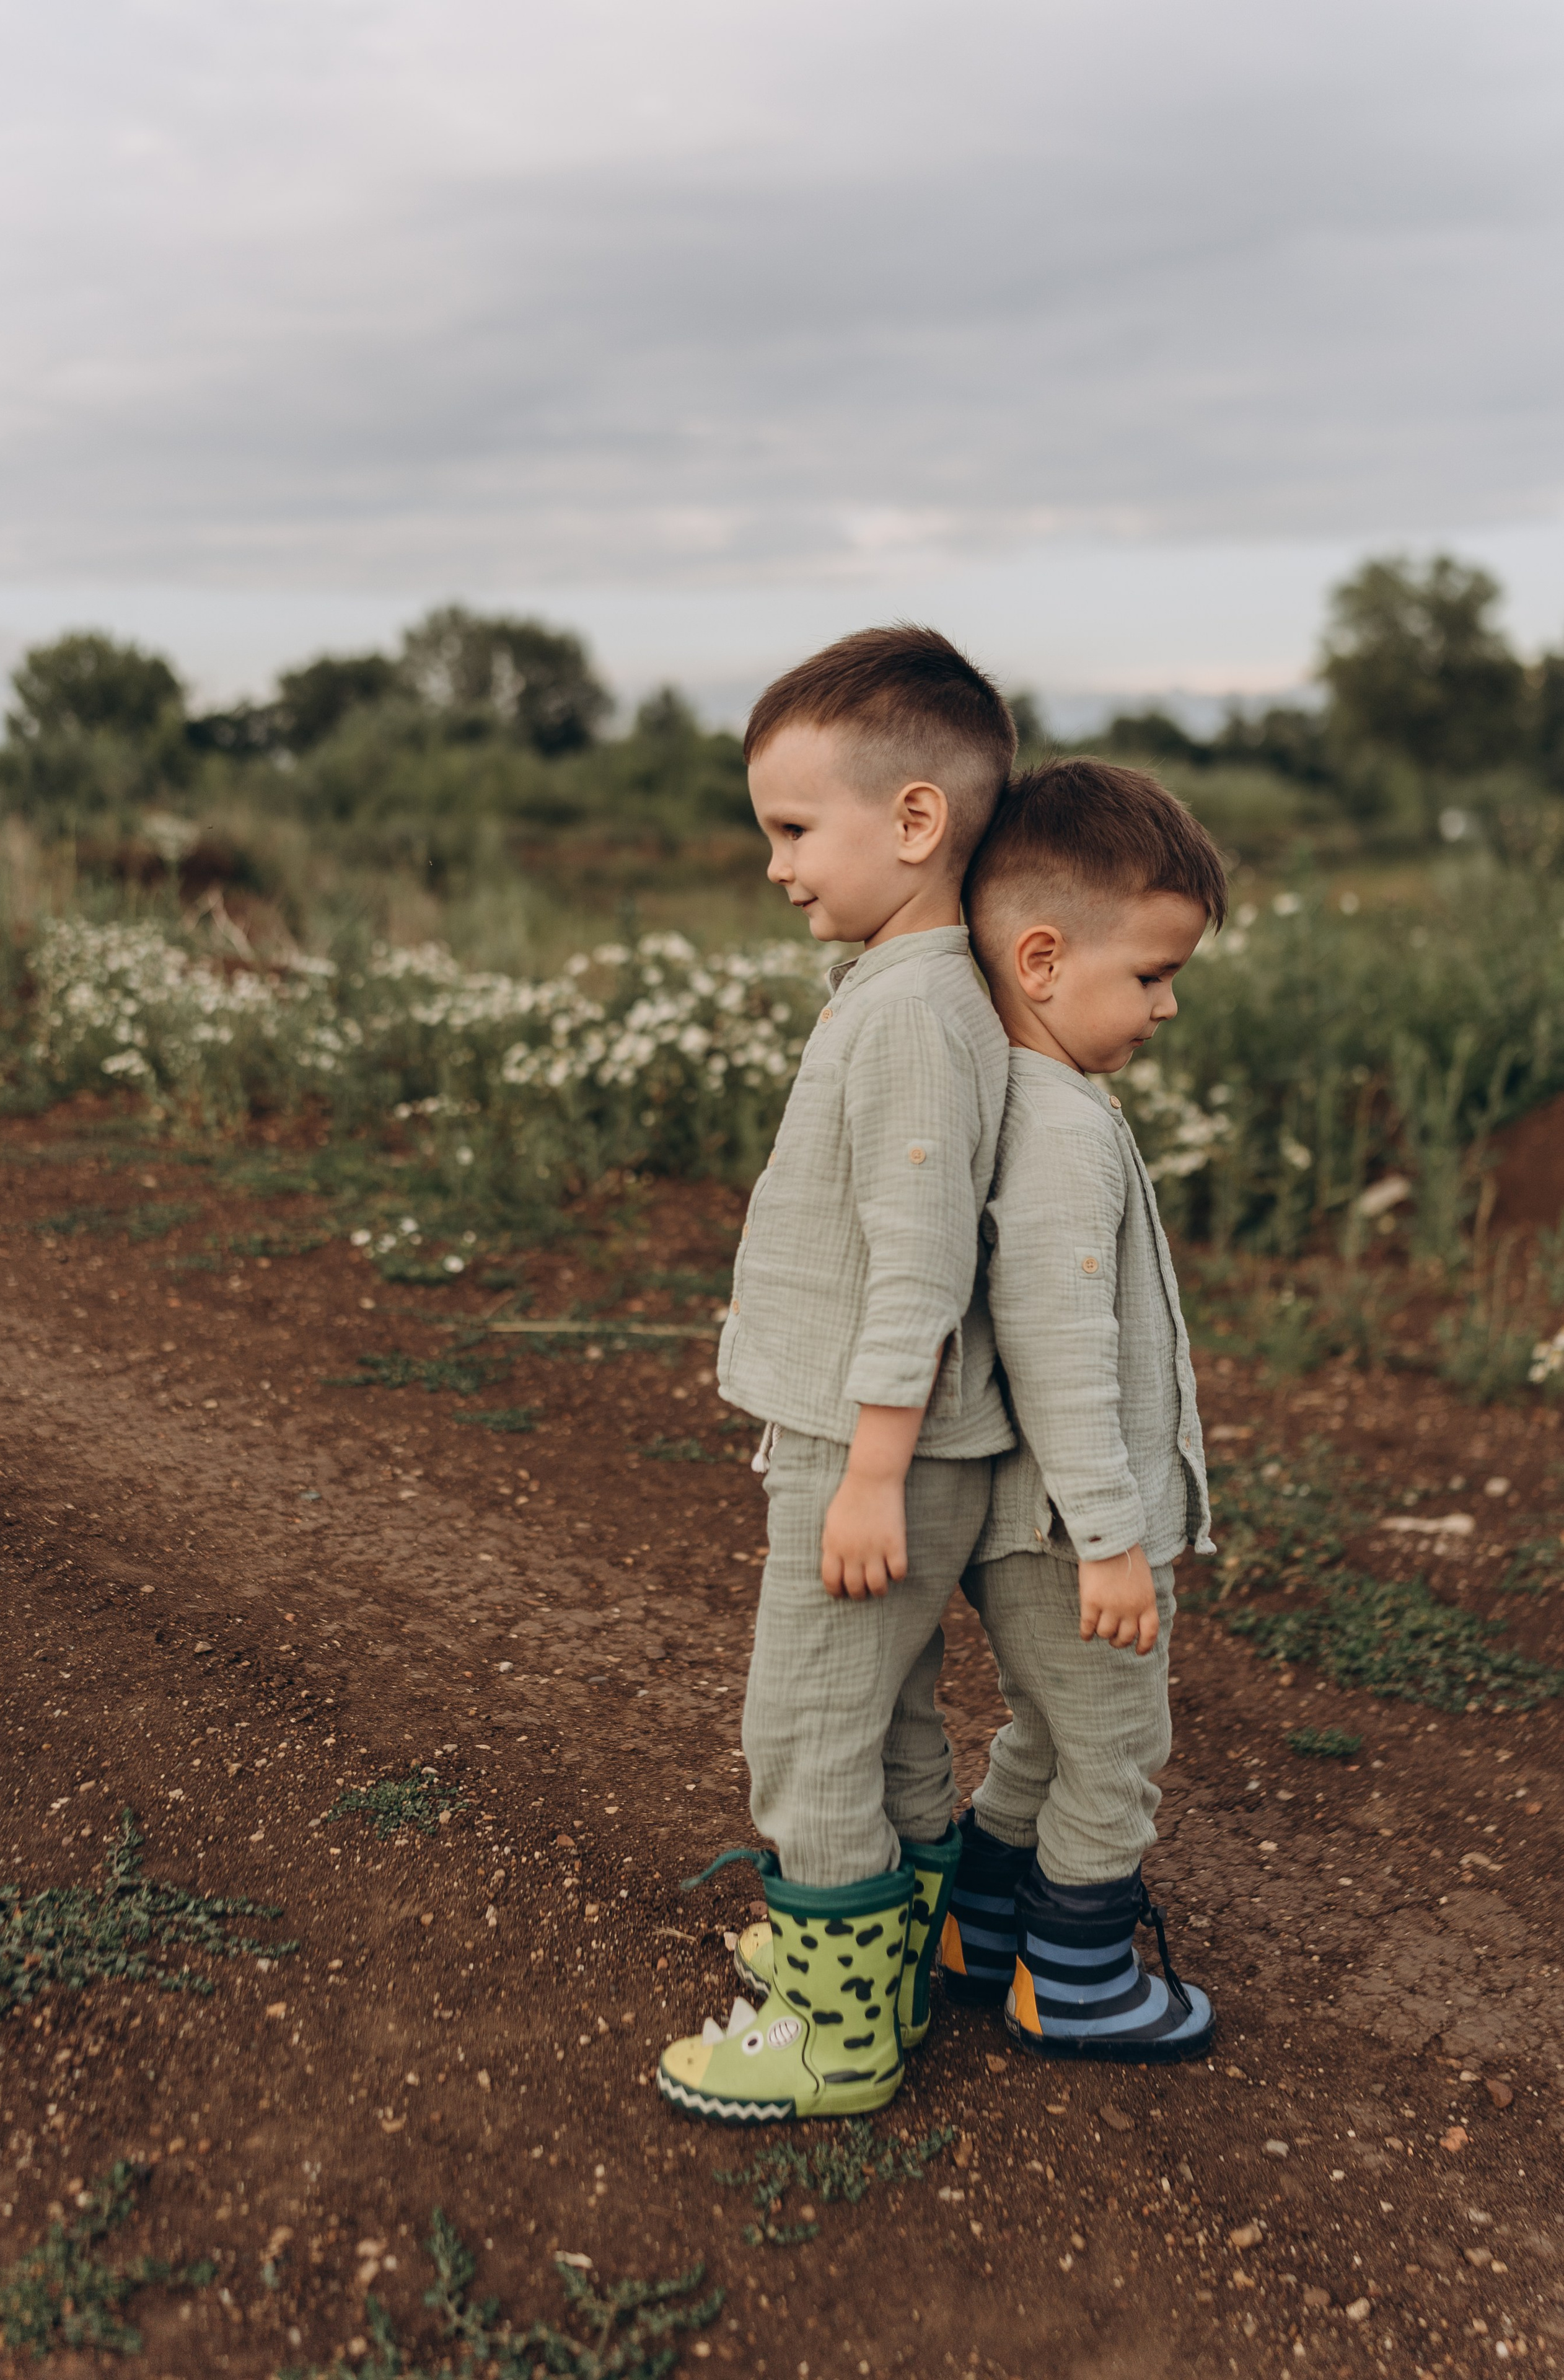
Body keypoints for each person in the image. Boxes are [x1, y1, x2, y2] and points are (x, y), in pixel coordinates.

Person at [656, 625, 1018, 2123]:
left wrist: (868, 1469)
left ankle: (830, 2028)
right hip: (899, 1442)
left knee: (805, 1729)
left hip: (874, 1448)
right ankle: (893, 1952)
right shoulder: (915, 985)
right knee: (888, 1717)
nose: (775, 865)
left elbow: (918, 1263)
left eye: (796, 829)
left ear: (914, 820)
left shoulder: (914, 1012)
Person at [938, 757, 1224, 2063]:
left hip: (1036, 1523)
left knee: (1048, 1733)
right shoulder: (1057, 1128)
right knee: (1114, 1750)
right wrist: (1111, 1538)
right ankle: (1076, 1982)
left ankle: (978, 1928)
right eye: (1152, 974)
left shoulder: (1034, 1098)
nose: (1166, 1005)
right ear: (1042, 960)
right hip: (1071, 1535)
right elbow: (1058, 1347)